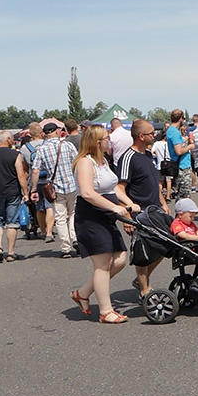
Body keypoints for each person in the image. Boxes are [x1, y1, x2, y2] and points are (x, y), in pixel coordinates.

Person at [69, 124, 131, 324]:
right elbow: (88, 193)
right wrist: (113, 208)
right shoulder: (85, 162)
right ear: (97, 141)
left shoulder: (103, 160)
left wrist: (128, 203)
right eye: (106, 137)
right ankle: (106, 311)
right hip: (91, 217)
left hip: (106, 216)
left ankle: (83, 293)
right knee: (102, 265)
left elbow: (113, 188)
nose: (110, 140)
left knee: (120, 259)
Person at [115, 119, 169, 297]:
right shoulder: (128, 157)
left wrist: (163, 203)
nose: (154, 136)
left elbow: (154, 183)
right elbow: (120, 189)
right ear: (140, 136)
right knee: (143, 251)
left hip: (155, 210)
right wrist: (127, 217)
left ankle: (141, 280)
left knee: (166, 245)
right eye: (150, 134)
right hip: (139, 213)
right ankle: (145, 290)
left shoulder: (148, 155)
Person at [31, 121, 78, 258]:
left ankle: (65, 248)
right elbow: (77, 163)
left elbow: (35, 171)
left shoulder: (42, 149)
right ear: (57, 131)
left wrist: (34, 189)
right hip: (72, 186)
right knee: (73, 214)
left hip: (55, 188)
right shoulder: (68, 145)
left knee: (60, 217)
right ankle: (75, 237)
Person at [0, 131, 29, 262]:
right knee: (12, 222)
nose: (13, 141)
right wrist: (25, 192)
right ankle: (10, 252)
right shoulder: (15, 155)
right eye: (12, 139)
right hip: (12, 191)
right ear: (8, 139)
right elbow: (21, 175)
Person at [21, 122, 54, 242]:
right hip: (49, 179)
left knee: (39, 208)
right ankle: (50, 232)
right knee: (50, 206)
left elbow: (24, 168)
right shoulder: (48, 145)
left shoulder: (25, 148)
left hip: (34, 180)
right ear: (42, 133)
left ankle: (43, 231)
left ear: (30, 134)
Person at [166, 109, 195, 200]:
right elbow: (178, 151)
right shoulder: (174, 132)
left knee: (181, 194)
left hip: (179, 165)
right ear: (180, 118)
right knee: (184, 195)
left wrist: (185, 139)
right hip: (182, 166)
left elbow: (177, 143)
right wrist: (190, 147)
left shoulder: (171, 130)